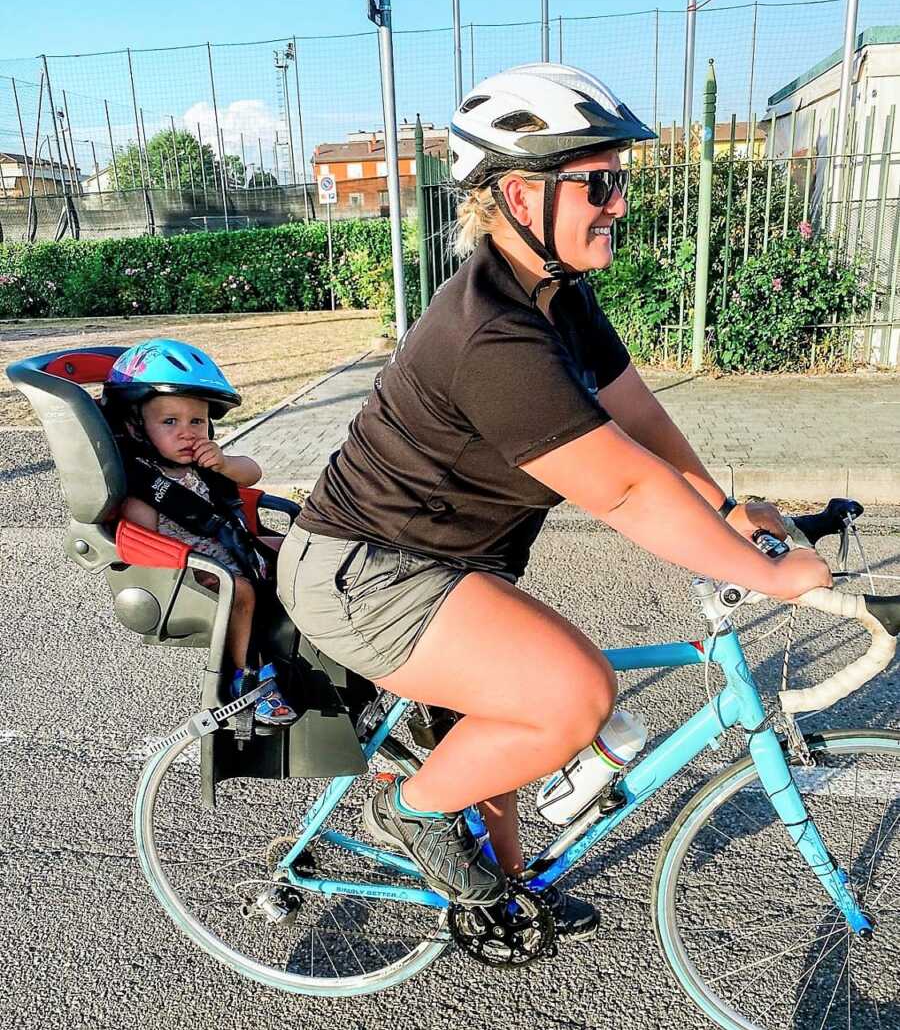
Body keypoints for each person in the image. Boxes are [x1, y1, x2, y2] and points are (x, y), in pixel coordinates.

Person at [276, 64, 832, 936]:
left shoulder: (556, 297)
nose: (618, 203)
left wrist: (726, 514)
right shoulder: (490, 332)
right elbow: (621, 485)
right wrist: (767, 576)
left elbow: (637, 417)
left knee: (503, 785)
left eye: (620, 182)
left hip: (446, 562)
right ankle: (411, 809)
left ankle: (487, 874)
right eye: (599, 183)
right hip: (366, 572)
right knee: (573, 692)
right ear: (517, 196)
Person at [102, 338, 296, 726]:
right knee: (238, 589)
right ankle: (247, 678)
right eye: (170, 422)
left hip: (230, 546)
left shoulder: (204, 462)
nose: (188, 433)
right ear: (135, 426)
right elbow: (146, 547)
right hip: (190, 569)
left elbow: (252, 472)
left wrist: (223, 463)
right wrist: (190, 561)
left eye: (197, 421)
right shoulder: (145, 486)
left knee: (300, 548)